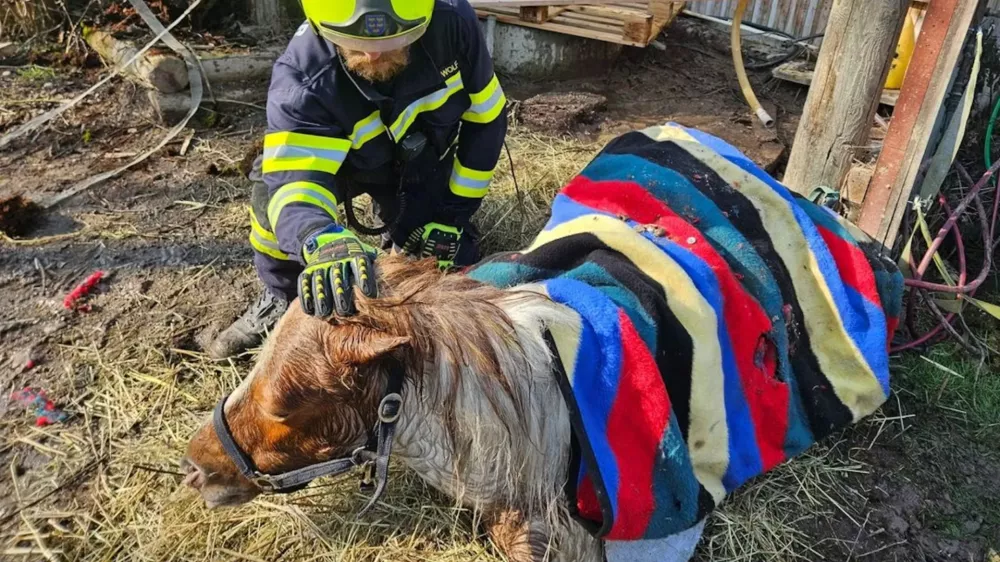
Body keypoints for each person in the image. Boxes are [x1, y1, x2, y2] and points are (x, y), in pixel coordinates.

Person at [209, 0, 508, 359]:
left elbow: (487, 119)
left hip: (419, 160)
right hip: (343, 167)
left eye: (392, 40)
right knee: (267, 201)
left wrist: (453, 216)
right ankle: (281, 297)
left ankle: (412, 237)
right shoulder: (302, 75)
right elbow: (297, 183)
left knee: (449, 259)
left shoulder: (454, 24)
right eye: (352, 41)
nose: (372, 52)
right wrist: (319, 237)